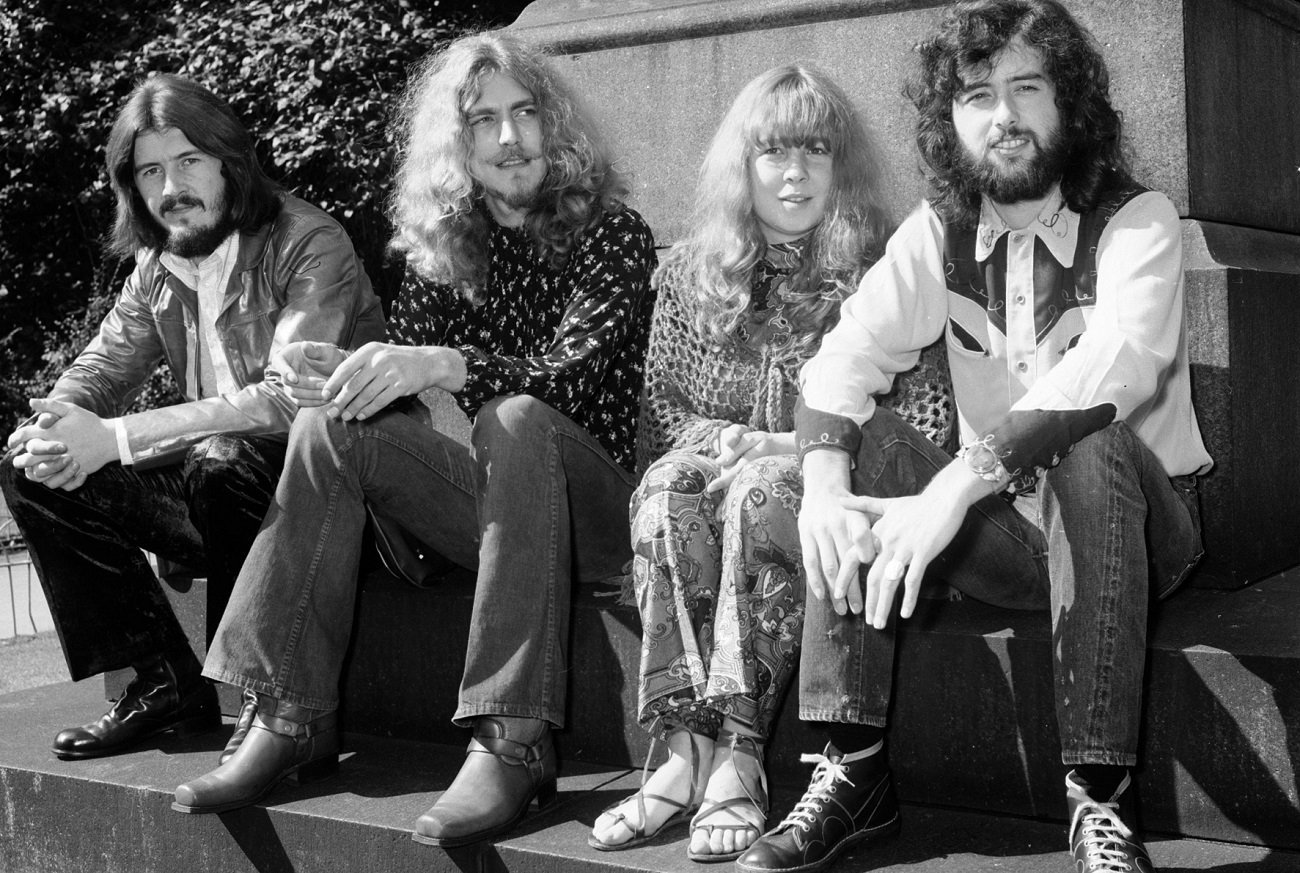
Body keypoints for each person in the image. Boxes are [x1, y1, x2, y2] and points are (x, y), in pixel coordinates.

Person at [736, 2, 1212, 873]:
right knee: (855, 444)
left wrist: (957, 481)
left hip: (1139, 529)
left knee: (1087, 438)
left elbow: (1116, 367)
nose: (1003, 116)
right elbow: (845, 355)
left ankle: (1100, 800)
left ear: (1068, 103)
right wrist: (829, 485)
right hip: (1009, 541)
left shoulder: (1136, 220)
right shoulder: (937, 233)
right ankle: (853, 768)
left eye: (1027, 88)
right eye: (977, 95)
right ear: (949, 118)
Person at [168, 32, 658, 848]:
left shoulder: (614, 232)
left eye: (526, 113)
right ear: (455, 143)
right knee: (332, 425)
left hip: (603, 517)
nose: (509, 138)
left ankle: (514, 737)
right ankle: (289, 711)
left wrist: (446, 362)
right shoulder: (438, 253)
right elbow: (422, 412)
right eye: (483, 121)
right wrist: (349, 375)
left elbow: (565, 377)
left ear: (555, 125)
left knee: (515, 413)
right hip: (498, 512)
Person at [588, 65, 951, 862]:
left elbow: (924, 423)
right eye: (773, 151)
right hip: (716, 470)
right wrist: (723, 443)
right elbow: (664, 413)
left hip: (840, 490)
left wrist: (783, 447)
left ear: (841, 163)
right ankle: (681, 754)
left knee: (762, 485)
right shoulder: (686, 275)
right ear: (740, 165)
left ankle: (743, 756)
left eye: (815, 150)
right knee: (665, 486)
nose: (794, 173)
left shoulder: (886, 266)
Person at [0, 74, 383, 762]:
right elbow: (102, 368)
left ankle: (267, 699)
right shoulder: (158, 267)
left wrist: (115, 437)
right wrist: (56, 429)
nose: (170, 186)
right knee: (30, 469)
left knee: (222, 458)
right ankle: (163, 682)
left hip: (334, 496)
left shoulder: (309, 241)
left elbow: (289, 399)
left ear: (229, 161)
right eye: (150, 171)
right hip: (220, 494)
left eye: (187, 162)